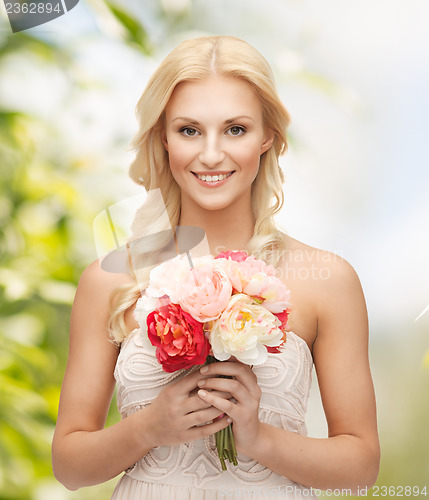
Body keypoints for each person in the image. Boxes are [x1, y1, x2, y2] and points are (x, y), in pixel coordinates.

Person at [52, 35, 380, 499]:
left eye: (235, 129)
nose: (210, 154)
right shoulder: (110, 279)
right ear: (163, 137)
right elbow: (69, 466)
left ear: (268, 135)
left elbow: (361, 469)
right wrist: (148, 428)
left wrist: (260, 439)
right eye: (189, 130)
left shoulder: (327, 280)